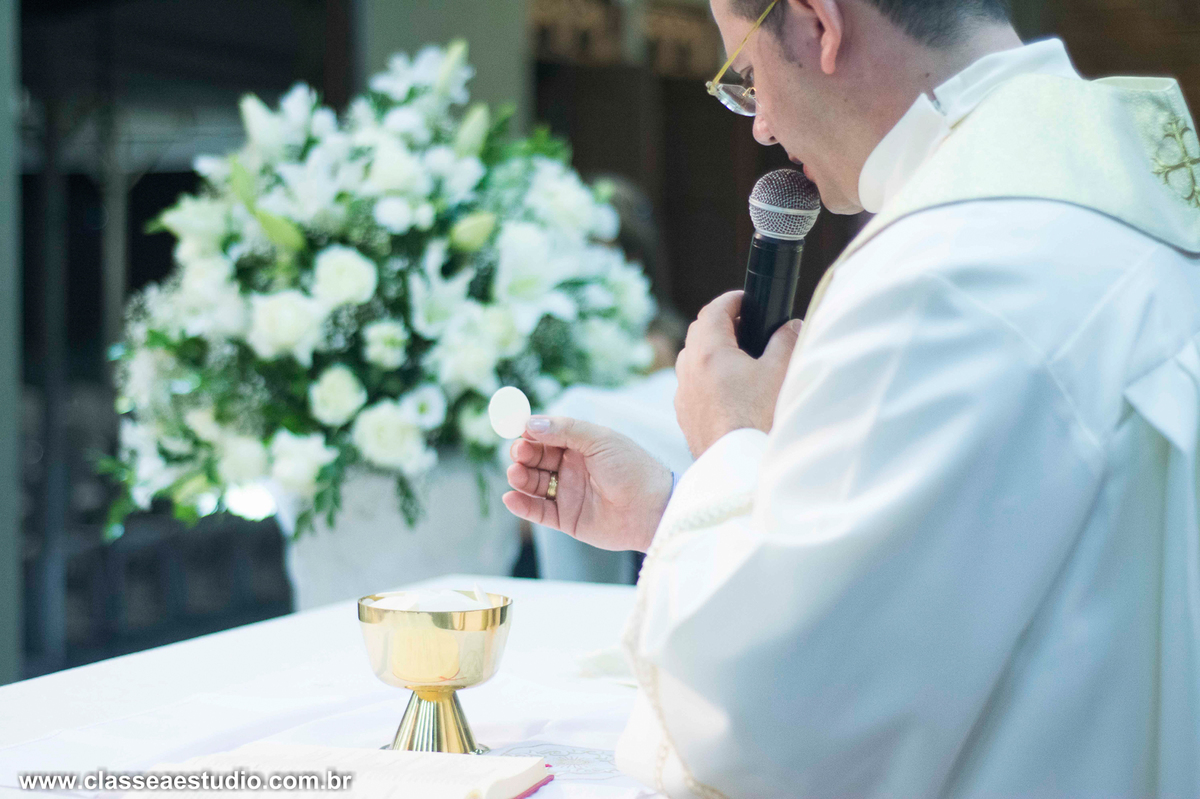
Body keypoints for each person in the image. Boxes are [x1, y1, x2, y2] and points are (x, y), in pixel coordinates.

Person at [504, 0, 1200, 796]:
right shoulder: (1116, 191)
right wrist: (673, 509)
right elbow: (952, 571)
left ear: (817, 22)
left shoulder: (943, 277)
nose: (760, 126)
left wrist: (731, 439)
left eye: (747, 75)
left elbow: (771, 718)